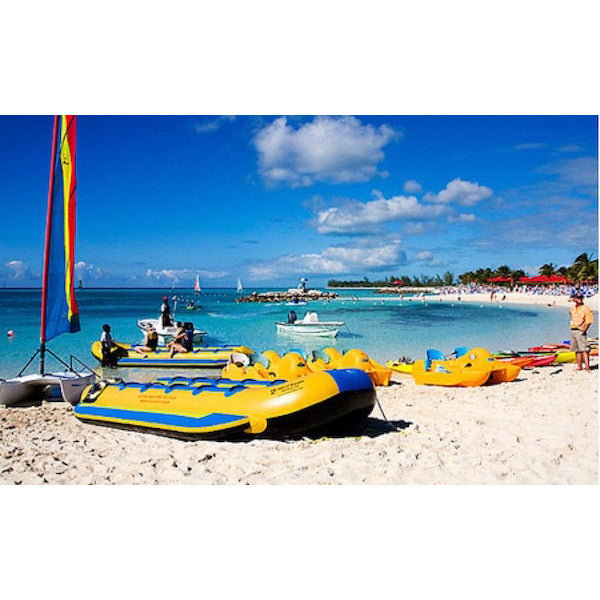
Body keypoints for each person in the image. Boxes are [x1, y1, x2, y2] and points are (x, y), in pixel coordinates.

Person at [568, 292, 594, 372]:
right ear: (574, 299)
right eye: (578, 298)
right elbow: (571, 315)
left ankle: (587, 367)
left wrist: (584, 329)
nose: (580, 299)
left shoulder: (586, 308)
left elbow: (589, 320)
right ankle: (579, 367)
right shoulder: (573, 308)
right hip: (573, 329)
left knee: (584, 350)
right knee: (577, 350)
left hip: (580, 330)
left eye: (581, 298)